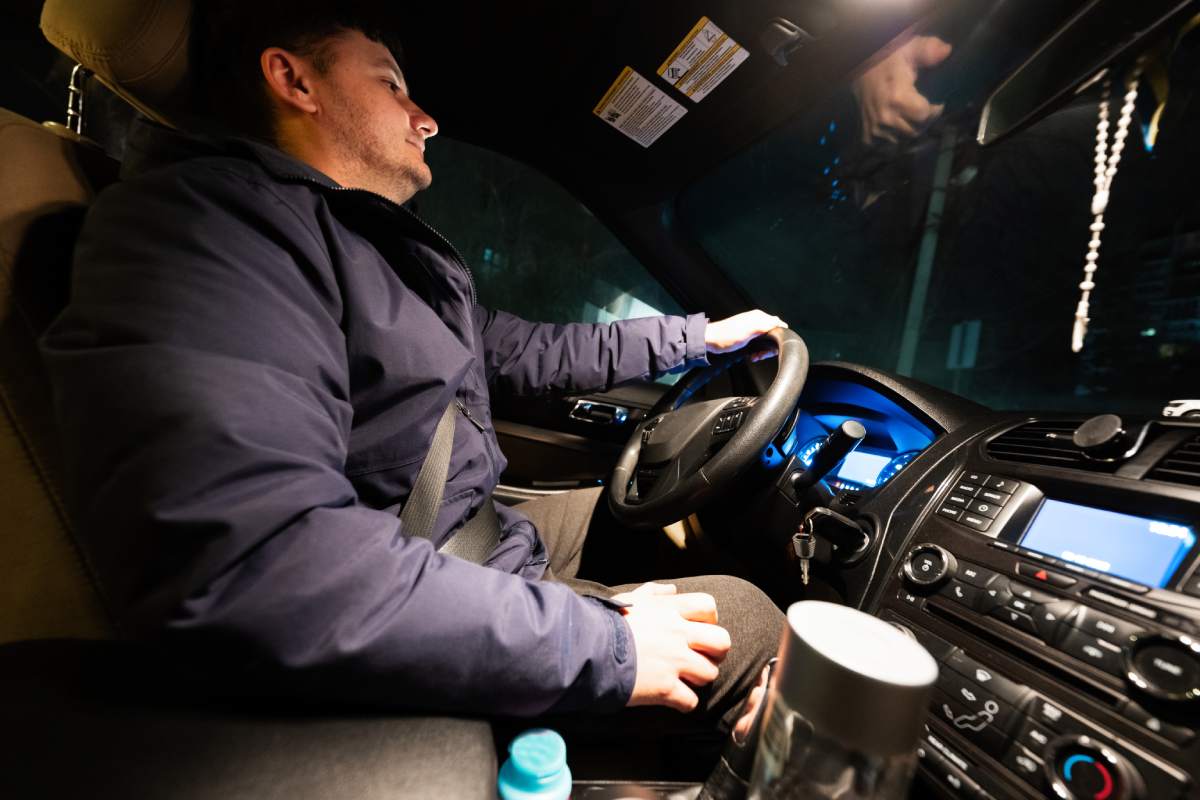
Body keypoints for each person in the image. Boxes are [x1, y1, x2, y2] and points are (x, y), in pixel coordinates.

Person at [39, 2, 788, 743]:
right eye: (392, 85)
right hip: (407, 587)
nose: (425, 117)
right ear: (294, 81)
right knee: (748, 624)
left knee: (644, 511)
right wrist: (607, 646)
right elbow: (254, 561)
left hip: (472, 534)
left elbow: (526, 350)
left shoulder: (356, 242)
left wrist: (698, 337)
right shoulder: (204, 230)